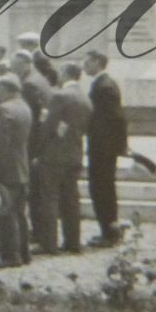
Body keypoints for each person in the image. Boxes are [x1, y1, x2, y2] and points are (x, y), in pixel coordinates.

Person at [31, 61, 88, 254]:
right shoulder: (85, 97)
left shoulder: (60, 96)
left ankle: (49, 243)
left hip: (54, 155)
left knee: (50, 200)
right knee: (71, 200)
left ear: (65, 74)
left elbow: (47, 127)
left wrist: (37, 151)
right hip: (75, 153)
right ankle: (73, 242)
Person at [0, 74, 33, 268]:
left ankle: (10, 256)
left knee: (5, 214)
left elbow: (0, 146)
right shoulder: (24, 107)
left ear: (5, 89)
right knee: (20, 213)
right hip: (20, 166)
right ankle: (24, 252)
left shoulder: (3, 110)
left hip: (6, 169)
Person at [84, 49, 127, 246]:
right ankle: (108, 230)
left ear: (98, 62)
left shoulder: (105, 86)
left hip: (104, 148)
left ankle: (110, 233)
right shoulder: (100, 84)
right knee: (100, 188)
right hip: (101, 146)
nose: (85, 65)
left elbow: (117, 119)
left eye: (88, 62)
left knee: (103, 189)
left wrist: (120, 146)